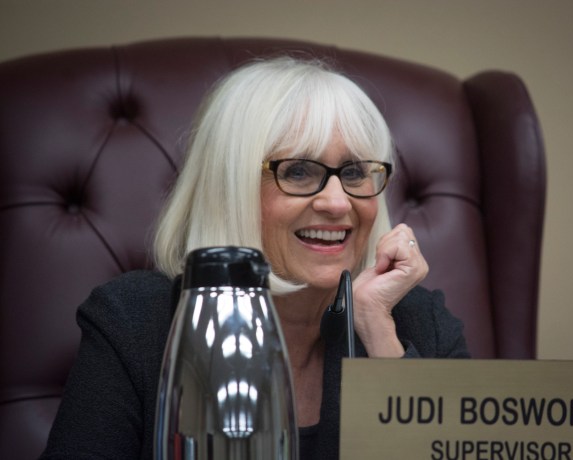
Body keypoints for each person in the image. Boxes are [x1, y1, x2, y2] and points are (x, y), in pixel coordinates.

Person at [40, 56, 469, 459]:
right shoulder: (134, 323)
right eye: (299, 171)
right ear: (231, 188)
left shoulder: (417, 324)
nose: (338, 203)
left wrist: (377, 334)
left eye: (354, 172)